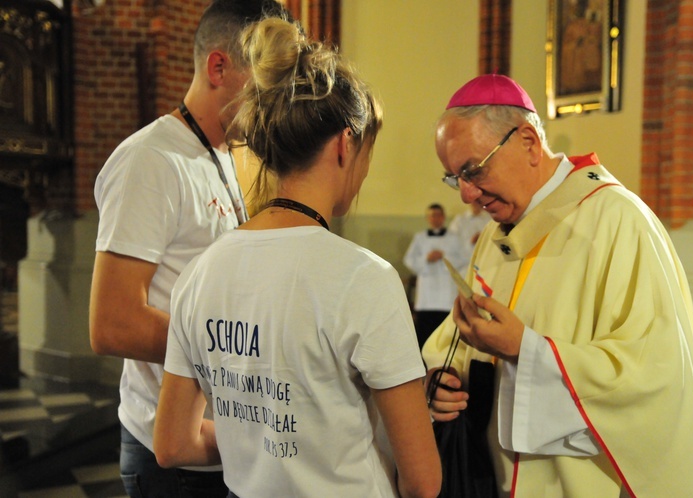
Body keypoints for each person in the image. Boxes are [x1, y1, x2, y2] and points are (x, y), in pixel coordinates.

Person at [152, 17, 441, 498]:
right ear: (346, 144)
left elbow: (173, 445)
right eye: (369, 150)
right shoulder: (364, 277)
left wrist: (267, 441)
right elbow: (424, 481)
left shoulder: (201, 272)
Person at [422, 73, 693, 497]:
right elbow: (453, 342)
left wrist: (524, 350)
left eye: (473, 170)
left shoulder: (619, 221)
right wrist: (441, 381)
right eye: (455, 178)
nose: (467, 195)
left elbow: (655, 378)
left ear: (527, 142)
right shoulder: (494, 235)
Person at [88, 1, 292, 496]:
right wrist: (245, 352)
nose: (279, 105)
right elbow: (114, 323)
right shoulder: (151, 161)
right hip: (171, 458)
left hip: (226, 438)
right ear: (219, 66)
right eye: (270, 84)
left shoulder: (228, 154)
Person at [403, 203, 468, 349]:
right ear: (427, 218)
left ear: (443, 217)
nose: (435, 218)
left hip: (446, 295)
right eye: (431, 215)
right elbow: (409, 260)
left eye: (438, 215)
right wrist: (426, 258)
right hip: (426, 295)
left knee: (446, 336)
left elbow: (465, 258)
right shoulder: (420, 238)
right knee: (424, 335)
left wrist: (444, 256)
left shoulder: (454, 238)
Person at [448, 200, 491, 274]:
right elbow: (451, 245)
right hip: (465, 267)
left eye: (478, 200)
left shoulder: (490, 220)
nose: (476, 203)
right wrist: (471, 242)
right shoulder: (459, 221)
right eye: (473, 200)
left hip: (487, 265)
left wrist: (483, 239)